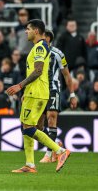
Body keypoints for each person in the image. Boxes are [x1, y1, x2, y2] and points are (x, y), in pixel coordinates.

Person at [6, 19, 71, 173]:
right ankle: (30, 165)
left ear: (36, 31)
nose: (26, 32)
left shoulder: (40, 47)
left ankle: (60, 151)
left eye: (28, 29)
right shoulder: (38, 47)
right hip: (33, 92)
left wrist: (20, 85)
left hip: (37, 92)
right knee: (26, 126)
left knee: (28, 128)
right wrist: (25, 91)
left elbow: (38, 71)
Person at [37, 29, 77, 163]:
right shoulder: (36, 52)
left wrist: (72, 94)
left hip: (53, 89)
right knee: (37, 126)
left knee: (52, 118)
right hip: (38, 91)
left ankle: (48, 155)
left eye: (43, 36)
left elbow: (66, 74)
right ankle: (55, 146)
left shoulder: (58, 53)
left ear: (48, 38)